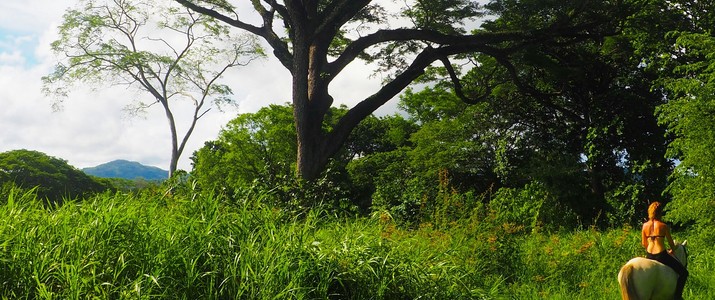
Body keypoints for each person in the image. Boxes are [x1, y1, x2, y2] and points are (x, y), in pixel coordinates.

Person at [641, 201, 688, 299]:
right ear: (660, 212)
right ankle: (677, 297)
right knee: (684, 273)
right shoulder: (663, 226)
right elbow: (671, 244)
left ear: (650, 212)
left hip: (649, 255)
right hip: (661, 255)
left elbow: (644, 244)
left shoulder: (644, 226)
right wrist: (672, 250)